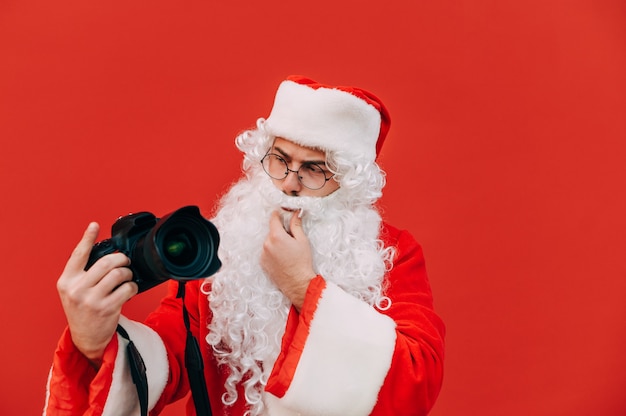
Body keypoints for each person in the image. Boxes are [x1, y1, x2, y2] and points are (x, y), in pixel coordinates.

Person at [44, 75, 446, 415]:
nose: (289, 183)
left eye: (314, 170)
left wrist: (304, 287)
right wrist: (96, 340)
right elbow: (173, 351)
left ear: (348, 182)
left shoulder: (388, 252)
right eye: (280, 160)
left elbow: (416, 378)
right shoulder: (226, 242)